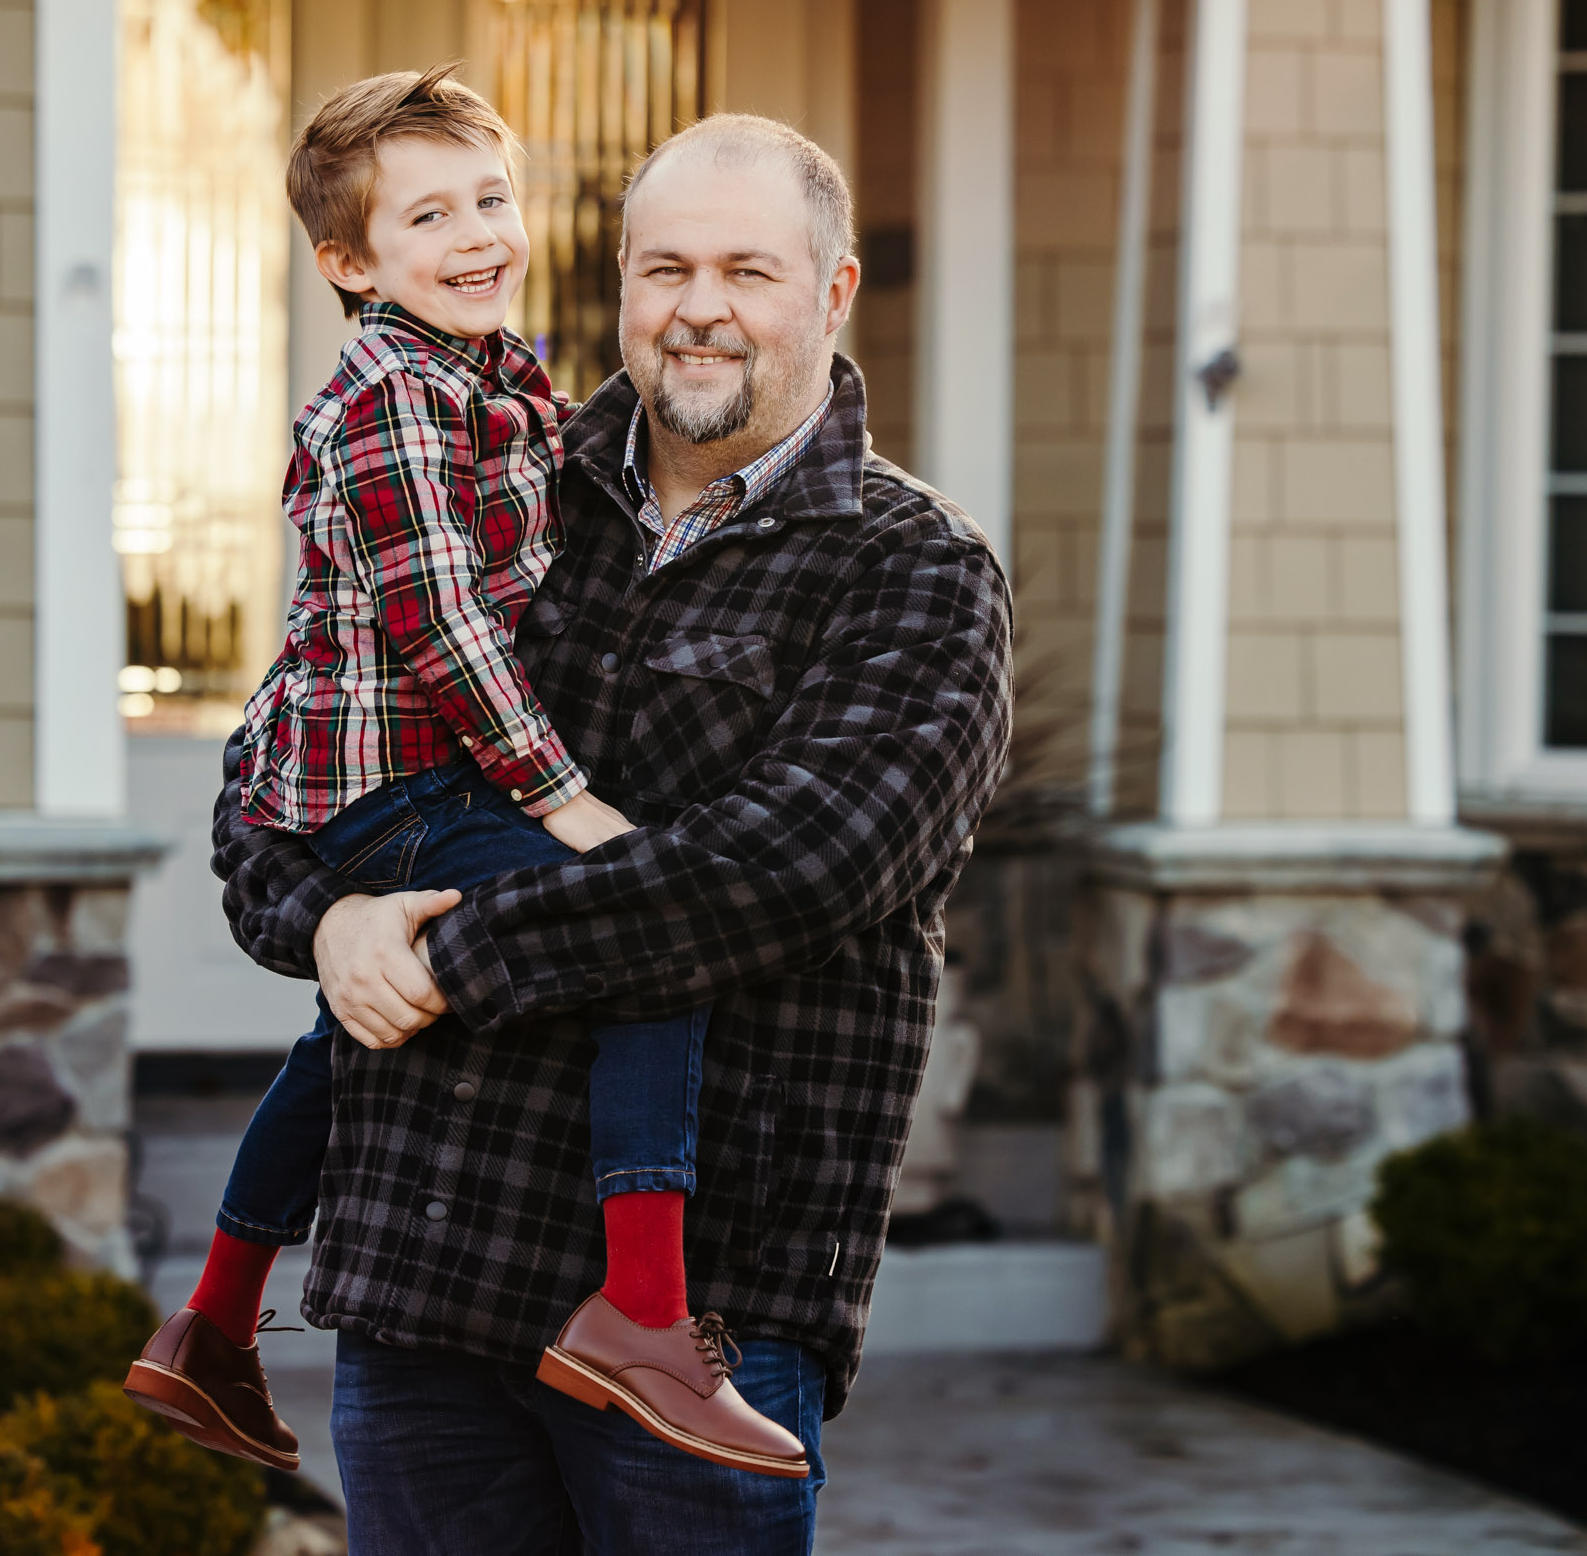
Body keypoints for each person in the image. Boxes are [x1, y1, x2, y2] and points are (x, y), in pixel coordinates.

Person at [188, 110, 1015, 1554]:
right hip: (424, 1280)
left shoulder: (915, 571)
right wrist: (329, 922)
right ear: (620, 284)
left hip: (707, 1320)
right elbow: (282, 772)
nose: (701, 308)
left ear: (832, 291)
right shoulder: (489, 476)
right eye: (664, 267)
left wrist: (442, 956)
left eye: (751, 272)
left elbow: (785, 871)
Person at [123, 65, 808, 1482]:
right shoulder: (386, 397)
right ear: (350, 262)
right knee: (648, 936)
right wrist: (566, 801)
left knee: (350, 1031)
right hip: (404, 786)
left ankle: (212, 1326)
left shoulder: (492, 376)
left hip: (421, 780)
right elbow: (444, 629)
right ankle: (643, 1312)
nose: (478, 233)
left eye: (492, 197)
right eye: (428, 215)